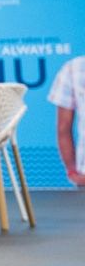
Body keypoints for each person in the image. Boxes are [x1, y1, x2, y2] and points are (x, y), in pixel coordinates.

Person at [48, 54, 85, 189]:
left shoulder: (74, 68)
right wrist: (73, 171)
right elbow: (63, 129)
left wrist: (72, 171)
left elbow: (63, 128)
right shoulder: (73, 69)